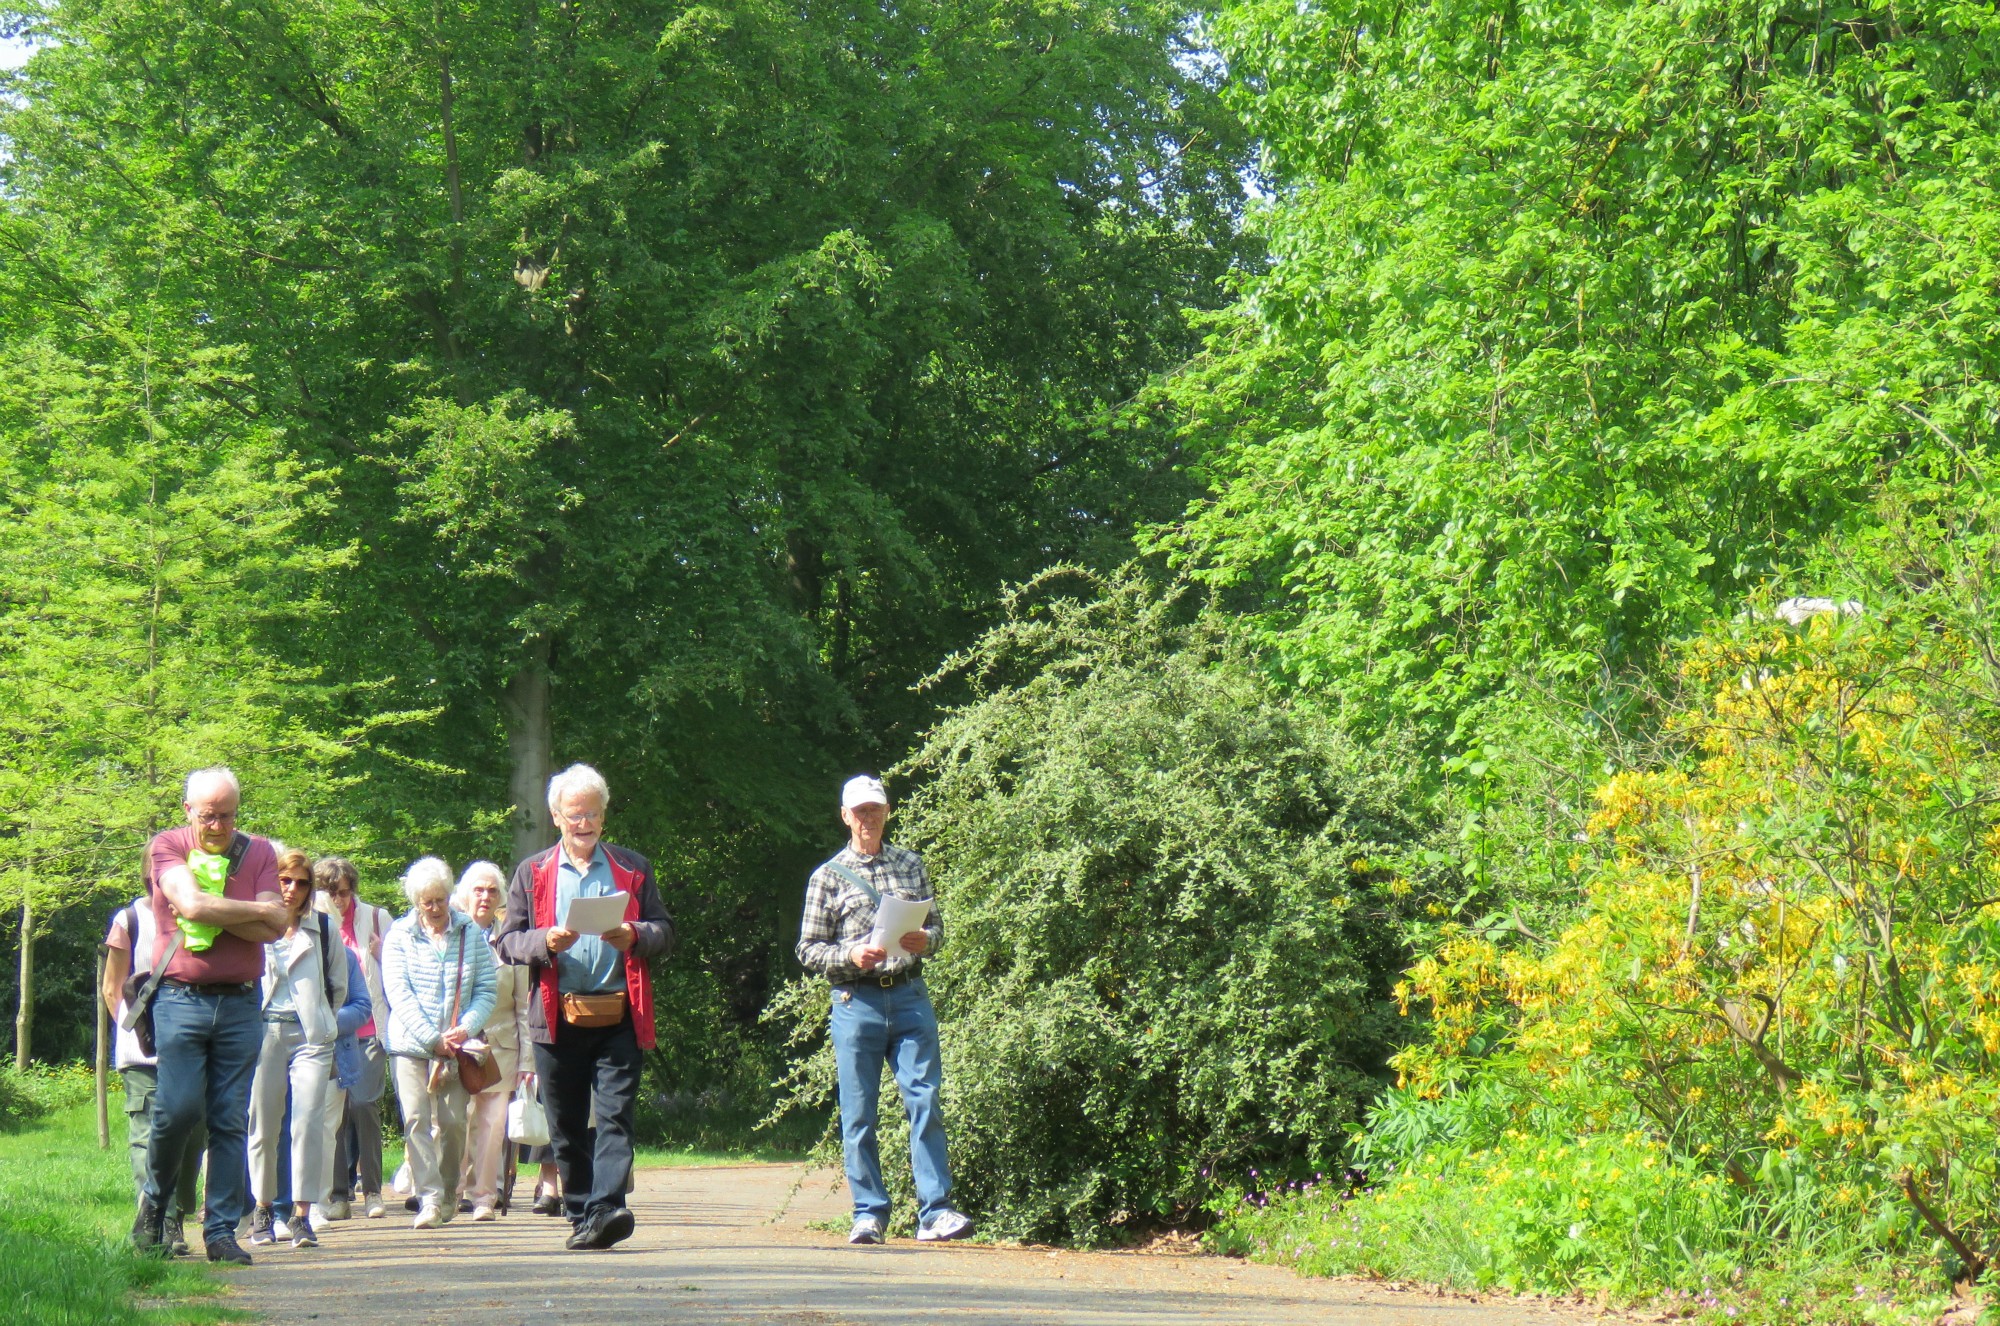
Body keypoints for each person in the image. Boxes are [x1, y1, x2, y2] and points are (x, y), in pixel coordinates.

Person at [496, 763, 673, 1251]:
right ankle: (581, 1213)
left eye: (592, 813)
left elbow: (665, 931)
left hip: (619, 1014)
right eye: (574, 814)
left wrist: (635, 935)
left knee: (616, 1117)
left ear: (604, 815)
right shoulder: (532, 873)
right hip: (556, 1016)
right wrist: (545, 941)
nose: (584, 823)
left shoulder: (632, 868)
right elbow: (507, 941)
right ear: (557, 816)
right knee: (567, 1123)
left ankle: (608, 1207)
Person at [796, 774, 972, 1245]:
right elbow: (808, 949)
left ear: (887, 812)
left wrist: (924, 940)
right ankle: (869, 1213)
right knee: (858, 1113)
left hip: (911, 996)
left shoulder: (912, 865)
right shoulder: (827, 876)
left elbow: (937, 931)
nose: (866, 818)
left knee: (925, 1100)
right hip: (857, 1001)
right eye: (858, 811)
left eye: (874, 809)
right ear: (844, 816)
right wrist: (850, 956)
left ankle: (935, 1212)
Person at [133, 766, 288, 1265]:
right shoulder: (167, 845)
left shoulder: (260, 851)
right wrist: (250, 911)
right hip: (180, 999)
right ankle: (155, 1207)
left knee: (228, 1120)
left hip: (242, 1003)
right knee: (176, 1110)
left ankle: (221, 1232)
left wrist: (218, 911)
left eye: (226, 815)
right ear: (188, 811)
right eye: (208, 816)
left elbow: (278, 923)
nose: (218, 825)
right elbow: (191, 906)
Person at [247, 848, 362, 1250]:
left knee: (309, 1122)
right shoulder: (254, 922)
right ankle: (262, 1210)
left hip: (312, 1037)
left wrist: (320, 1022)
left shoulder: (324, 928)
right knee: (263, 1123)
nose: (292, 889)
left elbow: (339, 986)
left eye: (301, 882)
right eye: (284, 880)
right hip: (264, 1033)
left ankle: (300, 1215)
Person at [383, 856, 495, 1229]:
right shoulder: (399, 935)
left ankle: (449, 1194)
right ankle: (428, 1199)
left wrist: (464, 1029)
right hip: (411, 1046)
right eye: (426, 902)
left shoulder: (470, 933)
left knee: (452, 1122)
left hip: (457, 1046)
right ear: (416, 902)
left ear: (450, 897)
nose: (434, 909)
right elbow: (398, 994)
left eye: (440, 900)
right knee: (416, 1119)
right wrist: (432, 1039)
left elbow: (485, 990)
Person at [103, 891, 205, 1256]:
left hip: (192, 1052)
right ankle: (156, 1225)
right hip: (142, 1058)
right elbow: (113, 988)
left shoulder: (202, 911)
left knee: (193, 1137)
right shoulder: (128, 919)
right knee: (147, 1139)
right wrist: (138, 1036)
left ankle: (175, 1214)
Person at [313, 857, 393, 1220]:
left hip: (370, 1027)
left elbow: (399, 972)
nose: (340, 899)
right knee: (335, 1114)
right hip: (330, 1034)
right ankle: (338, 1193)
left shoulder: (377, 918)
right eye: (332, 893)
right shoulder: (315, 925)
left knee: (363, 1105)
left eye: (345, 892)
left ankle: (373, 1191)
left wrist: (381, 954)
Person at [456, 861, 533, 1221]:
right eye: (477, 889)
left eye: (491, 891)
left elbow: (523, 1007)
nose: (484, 897)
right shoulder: (451, 936)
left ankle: (485, 1196)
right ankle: (451, 1192)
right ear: (464, 895)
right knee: (456, 1120)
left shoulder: (511, 942)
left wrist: (528, 1063)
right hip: (456, 1046)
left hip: (501, 1048)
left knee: (491, 1126)